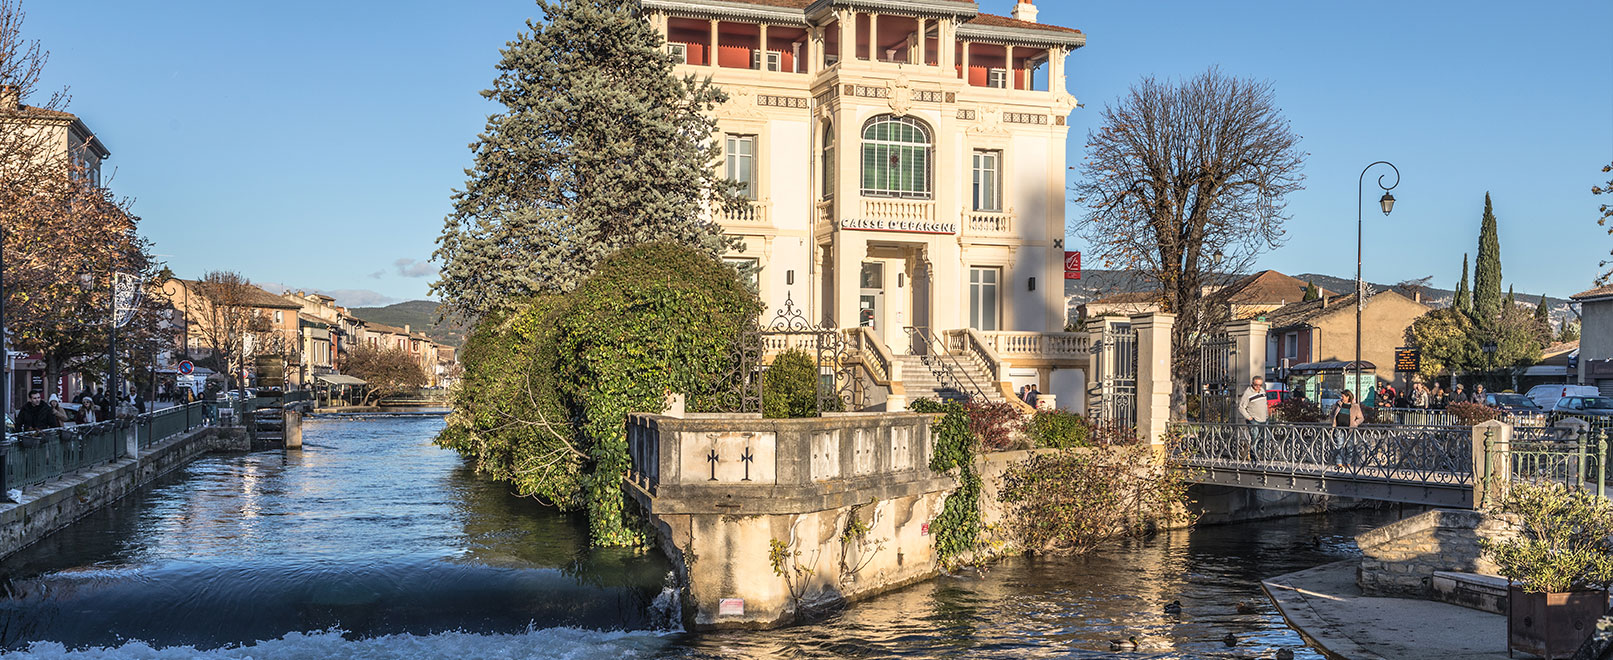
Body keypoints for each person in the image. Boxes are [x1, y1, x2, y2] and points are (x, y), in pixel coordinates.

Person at [1237, 377, 1270, 460]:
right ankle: (1253, 457)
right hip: (1254, 420)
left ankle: (1261, 455)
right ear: (1252, 384)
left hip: (1264, 419)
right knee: (1254, 438)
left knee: (1265, 438)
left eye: (1260, 385)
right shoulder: (1248, 393)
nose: (1258, 387)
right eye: (1256, 385)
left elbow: (1264, 404)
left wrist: (1267, 415)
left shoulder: (1262, 391)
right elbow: (1241, 407)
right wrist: (1249, 418)